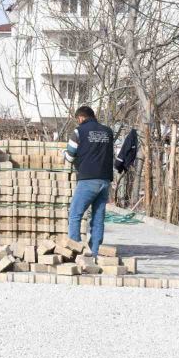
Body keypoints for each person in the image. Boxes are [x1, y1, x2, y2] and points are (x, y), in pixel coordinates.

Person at [63, 106, 114, 255]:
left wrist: (64, 153)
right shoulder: (108, 132)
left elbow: (70, 157)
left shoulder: (79, 132)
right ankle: (95, 252)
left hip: (87, 180)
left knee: (75, 214)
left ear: (80, 118)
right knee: (98, 218)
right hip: (104, 180)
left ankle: (75, 251)